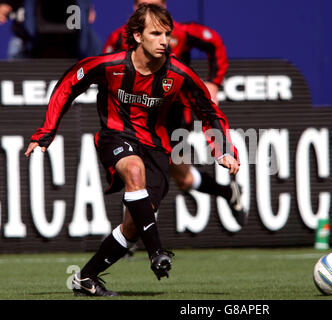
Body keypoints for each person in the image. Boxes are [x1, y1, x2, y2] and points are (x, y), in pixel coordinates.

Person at [25, 3, 240, 296]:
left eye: (167, 33)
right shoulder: (109, 65)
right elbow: (67, 86)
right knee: (134, 171)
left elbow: (209, 109)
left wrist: (223, 150)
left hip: (158, 151)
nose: (165, 40)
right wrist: (46, 131)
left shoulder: (178, 73)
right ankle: (157, 253)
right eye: (156, 33)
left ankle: (85, 278)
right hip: (115, 137)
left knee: (134, 225)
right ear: (137, 36)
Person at [103, 0, 247, 228]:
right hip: (132, 114)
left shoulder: (181, 33)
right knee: (164, 174)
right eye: (142, 3)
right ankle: (226, 192)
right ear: (134, 8)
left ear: (164, 6)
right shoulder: (119, 37)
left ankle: (132, 237)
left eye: (154, 3)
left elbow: (214, 43)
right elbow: (106, 69)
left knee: (167, 175)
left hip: (170, 117)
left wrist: (214, 82)